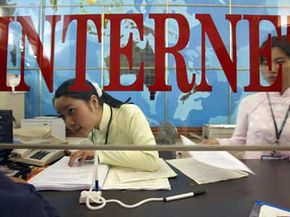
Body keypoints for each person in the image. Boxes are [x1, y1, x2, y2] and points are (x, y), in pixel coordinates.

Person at [202, 35, 290, 159]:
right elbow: (239, 141)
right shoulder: (250, 102)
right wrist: (217, 143)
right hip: (253, 175)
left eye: (279, 62)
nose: (271, 69)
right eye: (265, 63)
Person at [53, 79, 160, 171]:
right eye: (62, 116)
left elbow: (151, 160)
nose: (68, 123)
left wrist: (98, 153)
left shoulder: (130, 113)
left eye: (71, 111)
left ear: (94, 102)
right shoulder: (92, 130)